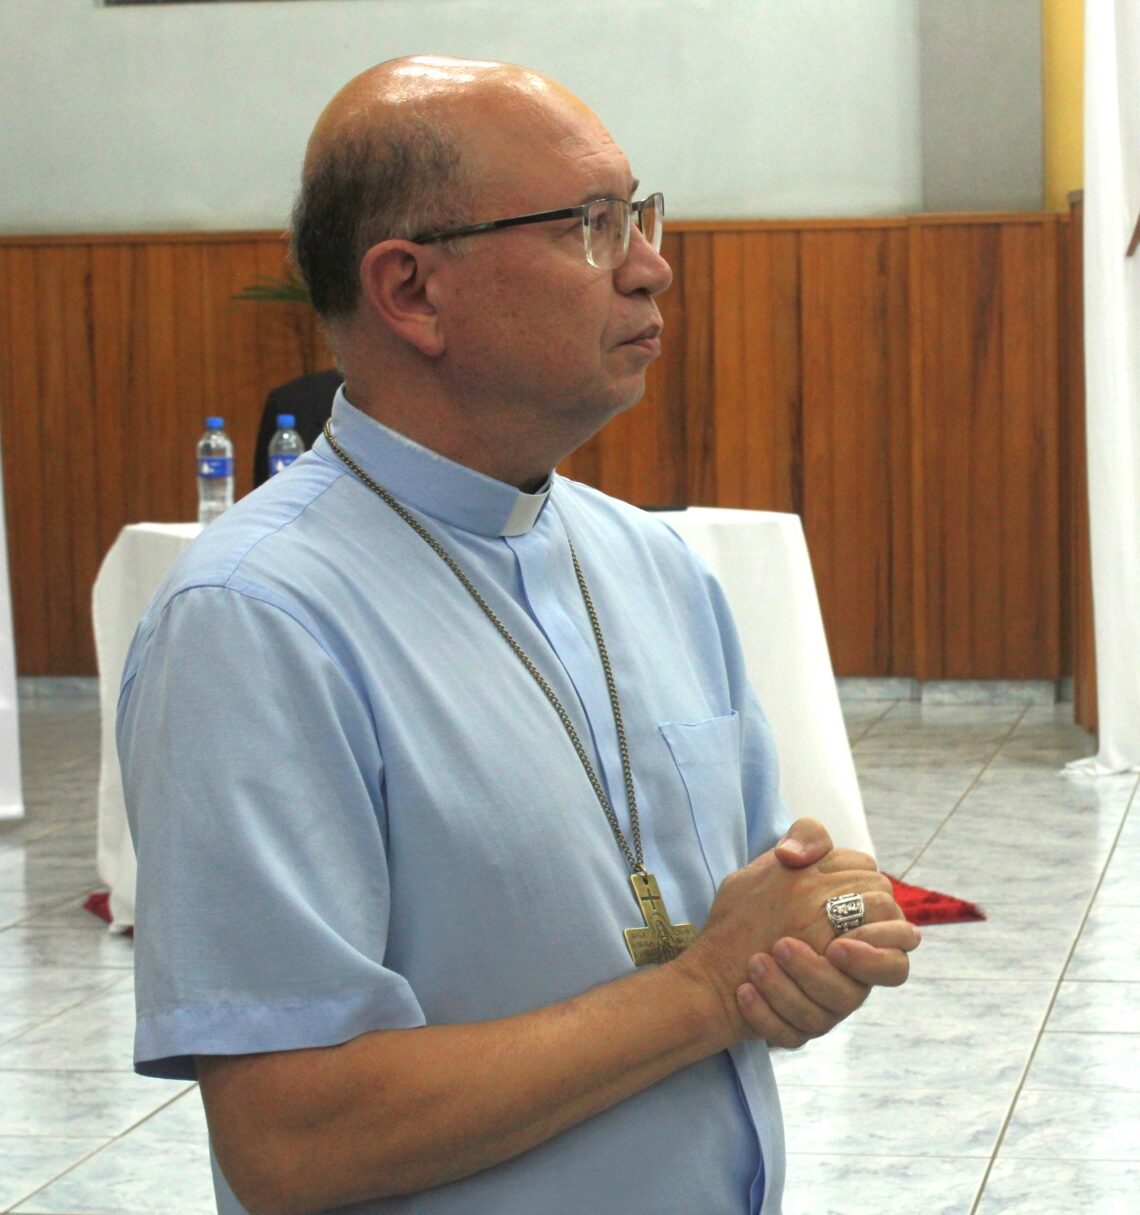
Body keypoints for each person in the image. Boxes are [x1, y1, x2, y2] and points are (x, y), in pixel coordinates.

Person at [118, 56, 919, 1215]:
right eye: (591, 226)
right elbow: (294, 1140)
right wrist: (702, 990)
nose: (652, 266)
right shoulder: (255, 622)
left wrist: (817, 938)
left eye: (640, 213)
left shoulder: (652, 564)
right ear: (413, 292)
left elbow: (748, 926)